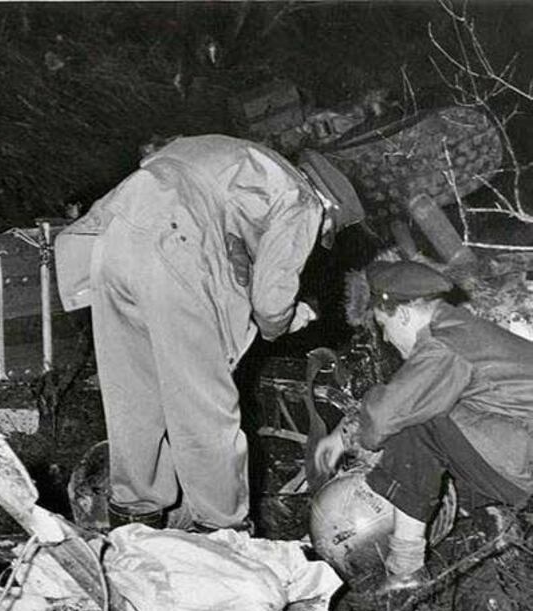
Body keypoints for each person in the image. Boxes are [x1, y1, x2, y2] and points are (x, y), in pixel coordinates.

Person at [58, 134, 365, 531]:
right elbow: (271, 304)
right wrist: (291, 319)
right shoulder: (302, 199)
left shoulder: (233, 152)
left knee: (135, 395)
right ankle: (223, 532)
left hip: (111, 244)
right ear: (328, 209)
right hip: (174, 253)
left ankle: (134, 518)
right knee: (206, 405)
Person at [314, 259, 533, 592]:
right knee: (441, 423)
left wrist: (349, 436)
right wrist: (344, 432)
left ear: (402, 314)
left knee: (419, 426)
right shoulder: (460, 329)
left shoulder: (445, 345)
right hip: (521, 444)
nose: (385, 339)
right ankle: (498, 524)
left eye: (383, 325)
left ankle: (404, 571)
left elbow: (385, 417)